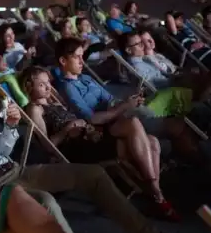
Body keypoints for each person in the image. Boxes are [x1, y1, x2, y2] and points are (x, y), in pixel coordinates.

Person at [0, 55, 201, 233]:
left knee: (93, 174)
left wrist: (9, 127)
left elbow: (2, 149)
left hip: (15, 169)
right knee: (45, 203)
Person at [55, 38, 178, 219]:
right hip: (93, 136)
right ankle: (156, 193)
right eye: (77, 58)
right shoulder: (67, 87)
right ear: (63, 61)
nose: (82, 62)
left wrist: (129, 101)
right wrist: (123, 107)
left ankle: (155, 197)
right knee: (134, 123)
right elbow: (92, 118)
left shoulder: (87, 78)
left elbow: (109, 100)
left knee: (153, 142)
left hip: (112, 124)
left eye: (82, 57)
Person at [136, 30, 211, 118]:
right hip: (178, 85)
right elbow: (158, 81)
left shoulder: (159, 55)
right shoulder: (145, 61)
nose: (151, 41)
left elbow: (175, 68)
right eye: (146, 40)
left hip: (187, 77)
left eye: (150, 38)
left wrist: (188, 70)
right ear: (140, 45)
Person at [22, 66, 121, 164]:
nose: (48, 87)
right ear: (29, 87)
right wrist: (69, 127)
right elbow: (48, 146)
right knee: (124, 143)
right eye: (41, 85)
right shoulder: (35, 108)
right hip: (74, 147)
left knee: (130, 129)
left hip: (87, 134)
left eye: (48, 82)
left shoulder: (53, 103)